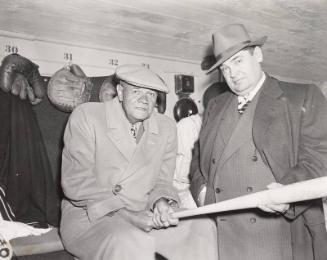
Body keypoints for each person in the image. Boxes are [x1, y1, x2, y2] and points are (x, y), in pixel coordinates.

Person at [190, 23, 327, 260]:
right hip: (225, 234)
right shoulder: (215, 105)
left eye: (239, 61)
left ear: (259, 55)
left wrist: (288, 194)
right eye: (225, 68)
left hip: (282, 231)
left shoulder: (301, 96)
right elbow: (197, 160)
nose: (232, 73)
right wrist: (203, 192)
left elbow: (320, 156)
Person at [60, 64, 217, 260]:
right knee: (130, 242)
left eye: (151, 94)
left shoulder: (166, 127)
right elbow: (76, 183)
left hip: (143, 211)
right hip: (91, 217)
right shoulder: (87, 116)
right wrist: (129, 216)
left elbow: (162, 181)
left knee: (202, 226)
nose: (144, 100)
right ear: (120, 92)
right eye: (136, 91)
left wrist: (162, 202)